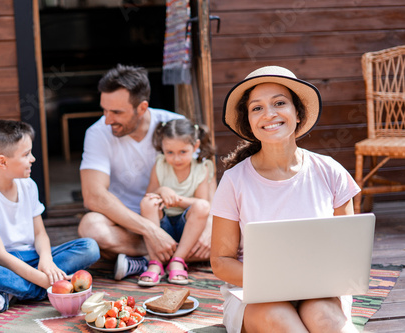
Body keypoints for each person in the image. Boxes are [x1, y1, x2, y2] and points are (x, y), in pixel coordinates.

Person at [210, 66, 361, 332]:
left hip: (319, 289)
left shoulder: (330, 171)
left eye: (279, 103)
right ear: (249, 121)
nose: (269, 114)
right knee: (284, 323)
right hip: (255, 294)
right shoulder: (234, 181)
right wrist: (279, 281)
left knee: (326, 320)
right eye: (257, 108)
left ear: (298, 113)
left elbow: (347, 255)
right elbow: (221, 262)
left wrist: (310, 282)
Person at [78, 64, 213, 281]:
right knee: (91, 227)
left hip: (180, 217)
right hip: (129, 223)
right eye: (104, 110)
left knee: (232, 233)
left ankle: (147, 261)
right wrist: (151, 231)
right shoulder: (97, 133)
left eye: (116, 112)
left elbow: (205, 174)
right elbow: (94, 196)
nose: (107, 119)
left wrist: (210, 225)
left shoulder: (173, 125)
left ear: (142, 108)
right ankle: (176, 256)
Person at [0, 120, 100, 313]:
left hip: (31, 257)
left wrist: (47, 260)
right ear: (2, 162)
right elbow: (0, 255)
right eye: (26, 154)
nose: (33, 159)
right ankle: (45, 289)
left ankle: (12, 292)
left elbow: (40, 233)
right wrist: (45, 280)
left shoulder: (29, 185)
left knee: (89, 247)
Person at [138, 118, 215, 286]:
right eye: (170, 152)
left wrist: (177, 200)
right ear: (162, 149)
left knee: (202, 206)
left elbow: (202, 203)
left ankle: (178, 260)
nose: (176, 158)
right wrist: (161, 191)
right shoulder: (160, 165)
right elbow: (149, 195)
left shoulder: (202, 168)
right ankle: (155, 262)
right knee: (147, 203)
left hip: (188, 229)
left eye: (183, 152)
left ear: (195, 147)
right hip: (161, 230)